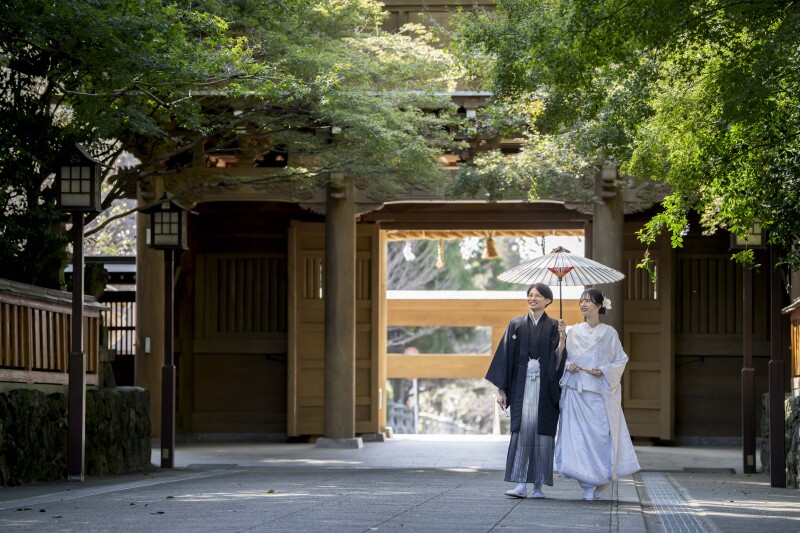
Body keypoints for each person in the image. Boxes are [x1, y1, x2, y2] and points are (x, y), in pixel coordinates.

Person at [555, 288, 640, 501]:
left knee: (601, 438)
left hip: (599, 393)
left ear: (599, 305)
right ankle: (586, 484)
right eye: (581, 301)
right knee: (578, 439)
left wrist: (604, 370)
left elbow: (620, 360)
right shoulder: (573, 331)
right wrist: (567, 360)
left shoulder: (609, 333)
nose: (583, 304)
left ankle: (602, 479)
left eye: (588, 301)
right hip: (577, 391)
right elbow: (558, 358)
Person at [485, 283, 566, 499]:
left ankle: (538, 486)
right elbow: (505, 358)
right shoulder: (516, 324)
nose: (533, 299)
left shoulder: (553, 326)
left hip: (545, 387)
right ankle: (520, 484)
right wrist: (502, 390)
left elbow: (559, 360)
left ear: (548, 300)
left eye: (538, 296)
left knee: (542, 433)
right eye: (530, 295)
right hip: (521, 386)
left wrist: (563, 338)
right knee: (522, 431)